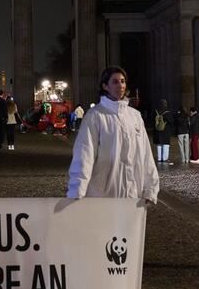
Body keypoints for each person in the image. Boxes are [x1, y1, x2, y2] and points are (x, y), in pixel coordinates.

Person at [67, 66, 159, 204]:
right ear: (105, 86)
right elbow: (84, 153)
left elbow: (146, 154)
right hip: (103, 194)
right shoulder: (95, 116)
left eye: (122, 81)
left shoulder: (135, 116)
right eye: (115, 82)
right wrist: (77, 189)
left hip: (133, 194)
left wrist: (150, 189)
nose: (120, 85)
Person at [153, 100, 171, 165]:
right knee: (165, 145)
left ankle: (159, 158)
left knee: (159, 145)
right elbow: (171, 121)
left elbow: (152, 121)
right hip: (165, 131)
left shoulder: (156, 112)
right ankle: (165, 158)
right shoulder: (168, 113)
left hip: (158, 131)